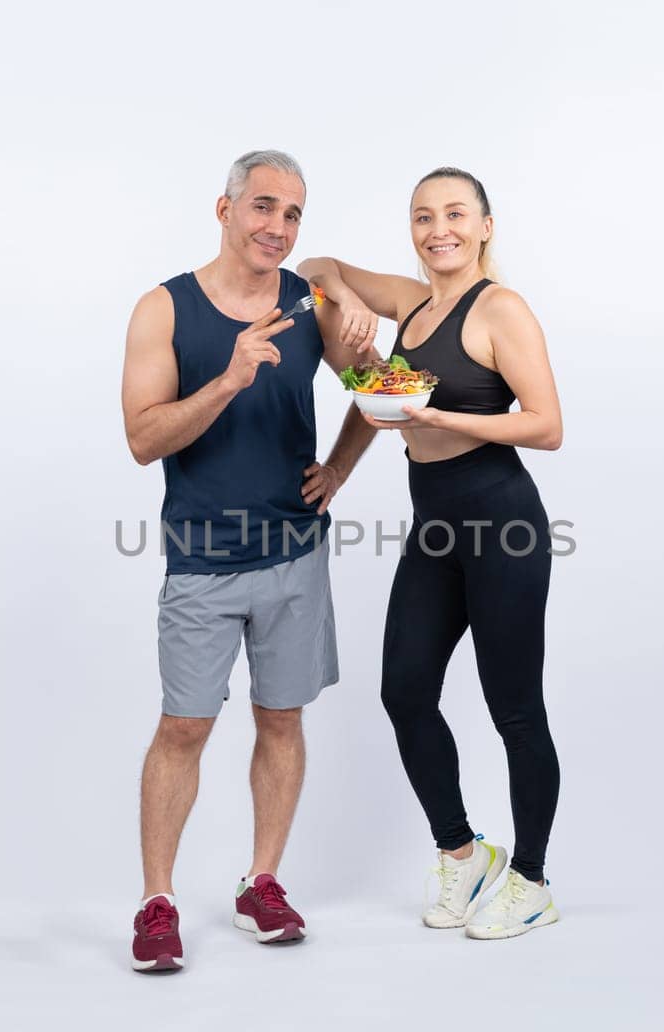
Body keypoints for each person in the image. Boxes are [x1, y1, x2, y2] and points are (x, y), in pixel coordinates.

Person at [120, 150, 378, 973]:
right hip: (201, 559)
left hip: (294, 554)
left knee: (281, 718)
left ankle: (261, 882)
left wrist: (339, 465)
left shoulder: (309, 302)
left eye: (294, 213)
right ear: (225, 208)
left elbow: (379, 388)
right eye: (264, 205)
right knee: (183, 726)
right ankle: (157, 902)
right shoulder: (163, 308)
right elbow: (142, 439)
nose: (279, 226)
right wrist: (229, 378)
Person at [297, 166, 565, 940]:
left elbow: (547, 424)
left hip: (503, 524)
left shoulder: (500, 310)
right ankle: (462, 851)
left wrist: (433, 410)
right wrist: (345, 303)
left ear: (485, 225)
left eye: (454, 214)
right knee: (405, 692)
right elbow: (319, 270)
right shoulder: (413, 304)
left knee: (514, 707)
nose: (437, 228)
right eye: (422, 216)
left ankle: (532, 878)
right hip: (434, 527)